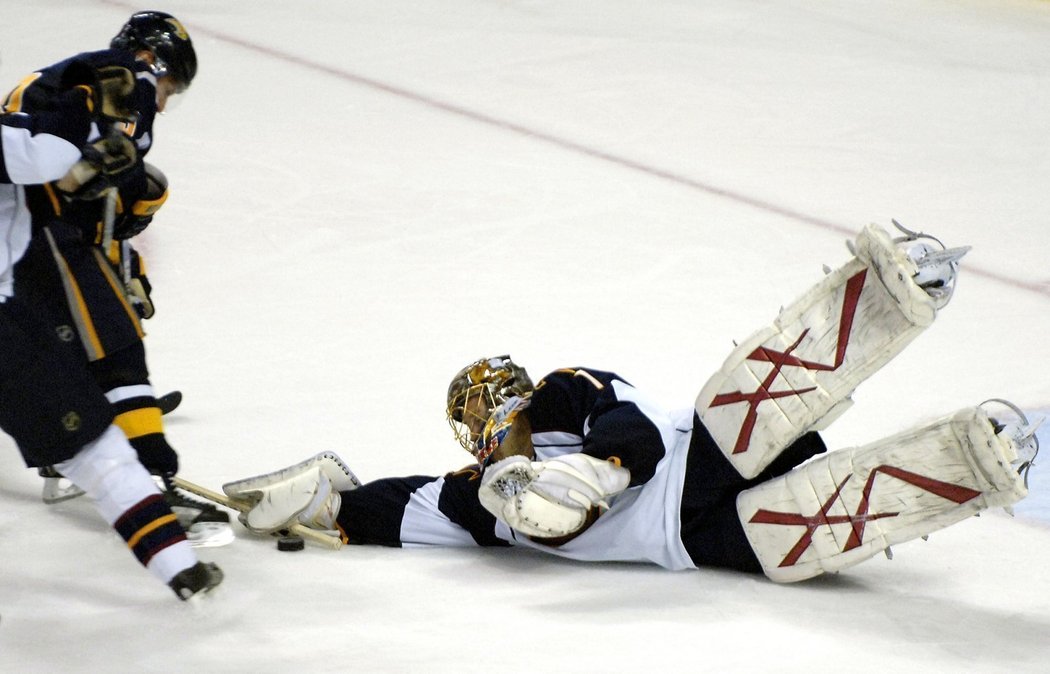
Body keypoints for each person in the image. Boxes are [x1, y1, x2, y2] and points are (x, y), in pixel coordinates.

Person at [225, 222, 1039, 582]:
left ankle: (886, 296)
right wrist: (329, 506)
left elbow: (632, 429)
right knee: (800, 542)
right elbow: (400, 509)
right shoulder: (480, 500)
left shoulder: (563, 396)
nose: (505, 428)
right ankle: (970, 464)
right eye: (492, 424)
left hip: (710, 456)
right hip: (695, 542)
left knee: (745, 400)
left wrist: (604, 473)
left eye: (504, 414)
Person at [0, 11, 222, 599]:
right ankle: (149, 471)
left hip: (33, 247)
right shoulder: (115, 84)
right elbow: (68, 181)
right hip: (36, 245)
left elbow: (103, 212)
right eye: (170, 87)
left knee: (91, 344)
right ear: (158, 64)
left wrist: (132, 269)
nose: (163, 103)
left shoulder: (85, 99)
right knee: (114, 344)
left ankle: (96, 450)